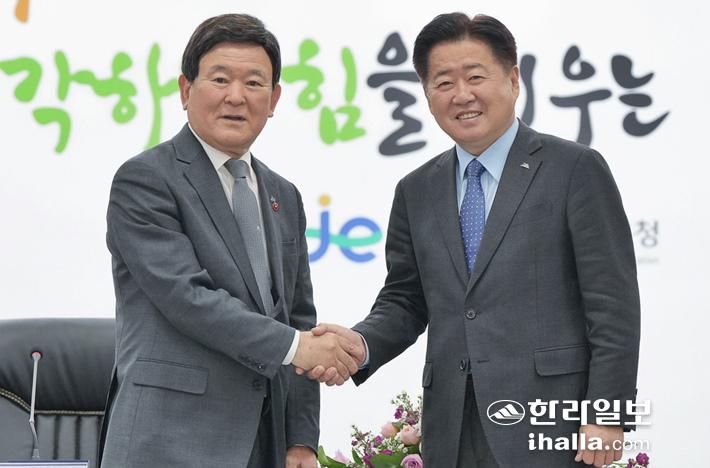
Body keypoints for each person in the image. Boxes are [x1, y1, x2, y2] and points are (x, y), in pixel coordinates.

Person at [307, 12, 640, 468]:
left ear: (514, 80)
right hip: (451, 426)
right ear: (427, 95)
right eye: (443, 83)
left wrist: (608, 415)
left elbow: (613, 305)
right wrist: (359, 345)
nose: (462, 95)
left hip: (551, 425)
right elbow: (405, 300)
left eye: (476, 77)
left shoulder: (574, 169)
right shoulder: (416, 189)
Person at [99, 13, 361, 468]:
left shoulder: (283, 195)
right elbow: (187, 297)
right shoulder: (145, 179)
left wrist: (300, 439)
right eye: (220, 79)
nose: (236, 96)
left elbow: (299, 316)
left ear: (274, 99)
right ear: (186, 90)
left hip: (264, 443)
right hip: (168, 440)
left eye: (254, 83)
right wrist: (298, 347)